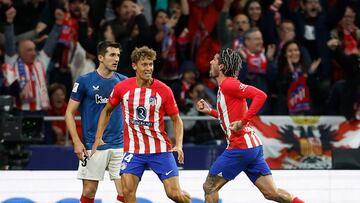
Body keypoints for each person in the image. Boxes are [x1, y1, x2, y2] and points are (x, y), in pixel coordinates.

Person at [196, 48, 305, 203]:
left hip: (240, 147)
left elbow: (260, 95)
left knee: (210, 187)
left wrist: (242, 122)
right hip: (252, 146)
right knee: (272, 193)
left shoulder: (229, 84)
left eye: (214, 59)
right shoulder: (225, 88)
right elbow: (229, 116)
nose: (210, 62)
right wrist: (211, 111)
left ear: (221, 66)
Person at [91, 46, 191, 203]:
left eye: (151, 64)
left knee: (174, 194)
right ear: (134, 66)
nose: (148, 68)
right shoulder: (122, 88)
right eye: (144, 64)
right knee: (127, 193)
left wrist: (178, 145)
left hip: (160, 150)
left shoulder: (164, 90)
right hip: (134, 151)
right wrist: (98, 137)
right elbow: (106, 111)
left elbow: (176, 119)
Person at [65, 41, 127, 203]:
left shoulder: (124, 82)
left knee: (126, 193)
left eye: (118, 55)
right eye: (112, 55)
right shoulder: (84, 81)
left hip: (120, 145)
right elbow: (69, 113)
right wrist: (77, 142)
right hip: (93, 145)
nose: (116, 59)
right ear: (101, 57)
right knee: (89, 191)